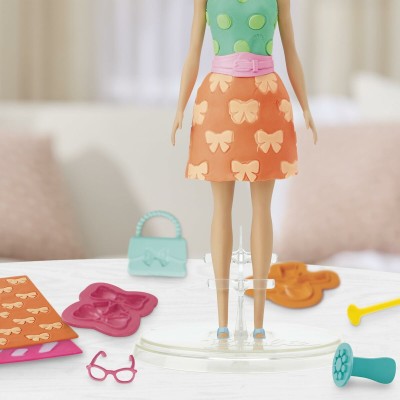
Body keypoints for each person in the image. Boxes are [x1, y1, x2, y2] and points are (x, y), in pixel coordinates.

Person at [171, 0, 317, 340]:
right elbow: (193, 51)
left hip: (267, 100)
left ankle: (259, 322)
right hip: (218, 101)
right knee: (220, 209)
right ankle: (221, 320)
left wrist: (306, 107)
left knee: (262, 210)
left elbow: (291, 51)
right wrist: (179, 107)